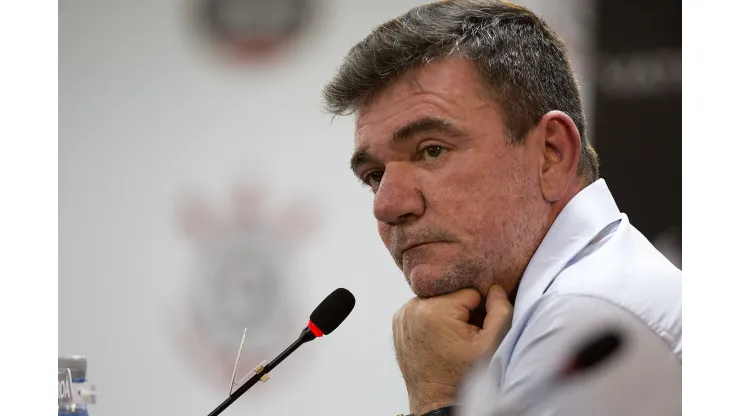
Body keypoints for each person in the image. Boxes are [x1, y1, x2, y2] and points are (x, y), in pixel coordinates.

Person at [322, 1, 682, 415]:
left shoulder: (588, 322)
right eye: (373, 176)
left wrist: (438, 400)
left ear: (551, 154)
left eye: (432, 150)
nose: (387, 205)